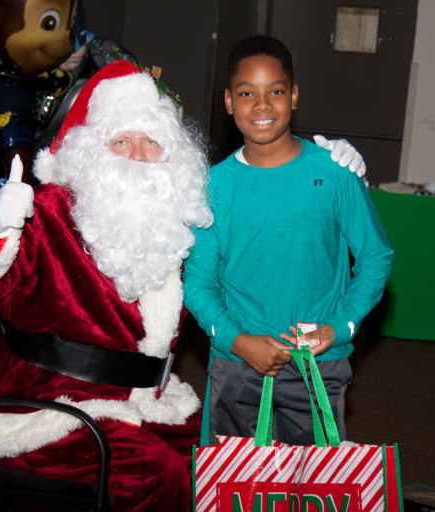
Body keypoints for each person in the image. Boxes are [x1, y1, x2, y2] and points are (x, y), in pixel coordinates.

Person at [0, 60, 214, 511]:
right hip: (43, 407)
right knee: (154, 475)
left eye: (150, 142)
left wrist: (327, 178)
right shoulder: (47, 213)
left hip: (140, 401)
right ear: (90, 151)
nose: (137, 156)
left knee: (224, 459)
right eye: (121, 141)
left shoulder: (171, 224)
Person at [182, 35, 394, 448]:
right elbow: (198, 283)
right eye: (247, 94)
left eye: (275, 91)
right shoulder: (211, 187)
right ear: (229, 102)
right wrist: (239, 342)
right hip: (237, 365)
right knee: (235, 489)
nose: (262, 106)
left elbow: (375, 256)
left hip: (318, 364)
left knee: (312, 487)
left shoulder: (334, 173)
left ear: (293, 95)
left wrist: (339, 327)